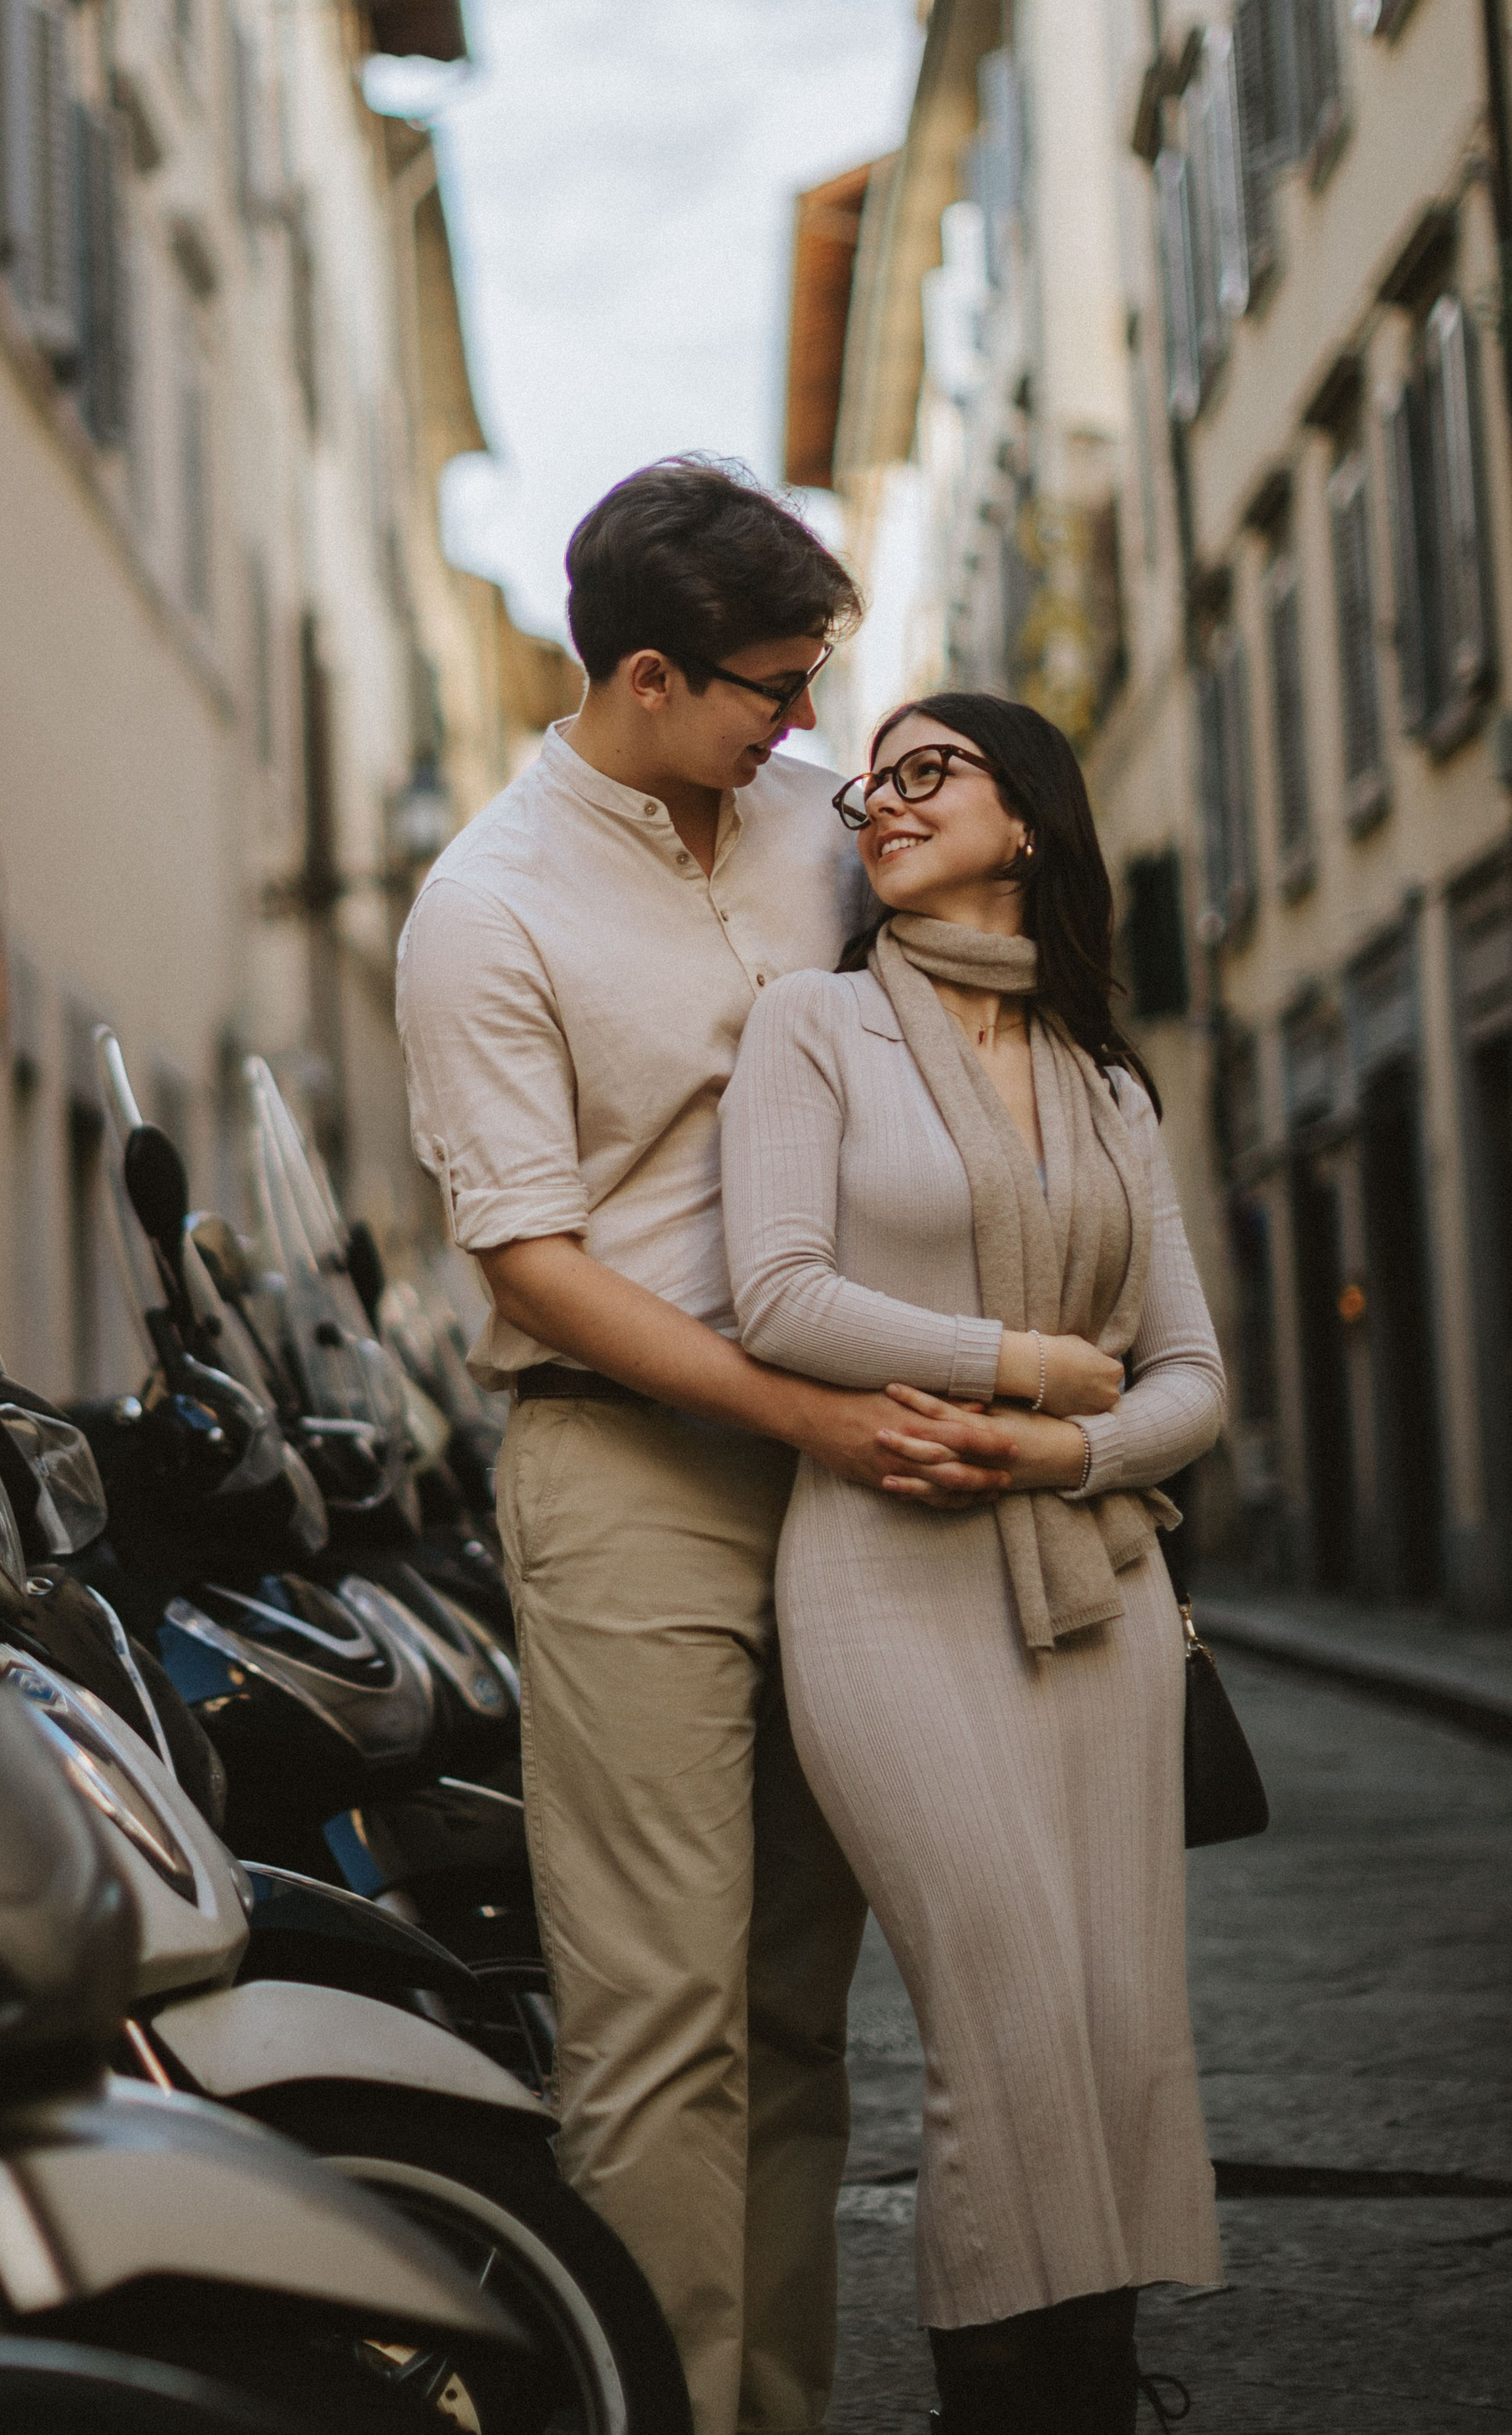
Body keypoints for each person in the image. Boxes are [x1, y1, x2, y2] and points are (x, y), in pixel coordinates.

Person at [395, 462, 1023, 2435]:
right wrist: (807, 1412)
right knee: (658, 2021)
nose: (800, 723)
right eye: (767, 685)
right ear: (648, 673)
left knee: (792, 2012)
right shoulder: (482, 903)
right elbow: (532, 1261)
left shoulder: (822, 837)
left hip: (854, 1468)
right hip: (627, 1474)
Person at [720, 690, 1227, 2435]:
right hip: (883, 1577)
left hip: (1098, 1592)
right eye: (866, 778)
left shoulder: (1101, 1086)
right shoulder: (814, 1026)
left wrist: (1061, 1448)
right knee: (1002, 2028)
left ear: (1026, 818)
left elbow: (1190, 1375)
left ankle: (1081, 2400)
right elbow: (777, 1292)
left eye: (923, 765)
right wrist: (1019, 1364)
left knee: (1105, 2033)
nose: (878, 797)